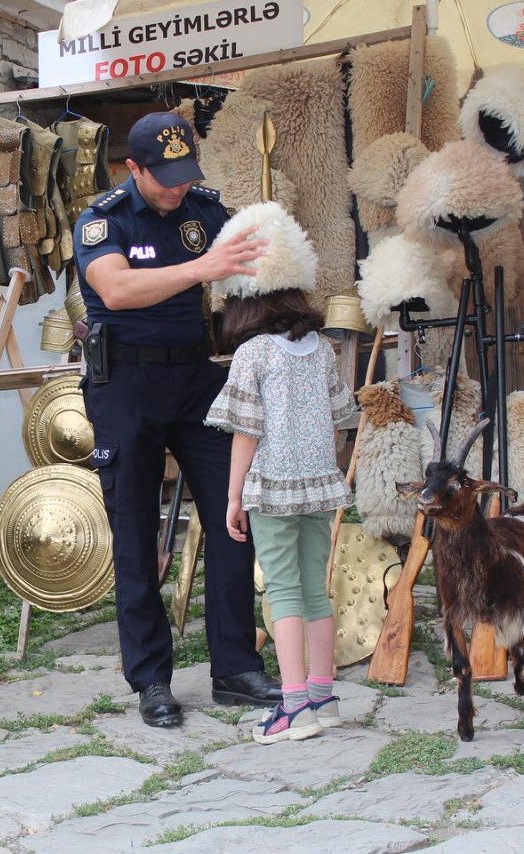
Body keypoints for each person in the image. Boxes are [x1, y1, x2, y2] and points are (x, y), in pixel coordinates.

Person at [73, 111, 281, 728]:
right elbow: (115, 291)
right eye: (165, 177)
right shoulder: (104, 220)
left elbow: (256, 262)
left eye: (185, 173)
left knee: (233, 516)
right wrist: (201, 270)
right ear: (132, 168)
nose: (177, 187)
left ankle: (235, 668)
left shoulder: (204, 210)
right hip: (126, 384)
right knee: (136, 534)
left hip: (196, 378)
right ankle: (151, 680)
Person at [204, 202, 357, 744]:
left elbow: (245, 432)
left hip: (270, 488)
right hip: (318, 486)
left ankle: (293, 708)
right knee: (316, 588)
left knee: (283, 592)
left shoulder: (253, 354)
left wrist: (233, 497)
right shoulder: (323, 350)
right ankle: (323, 695)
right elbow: (340, 419)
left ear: (246, 296)